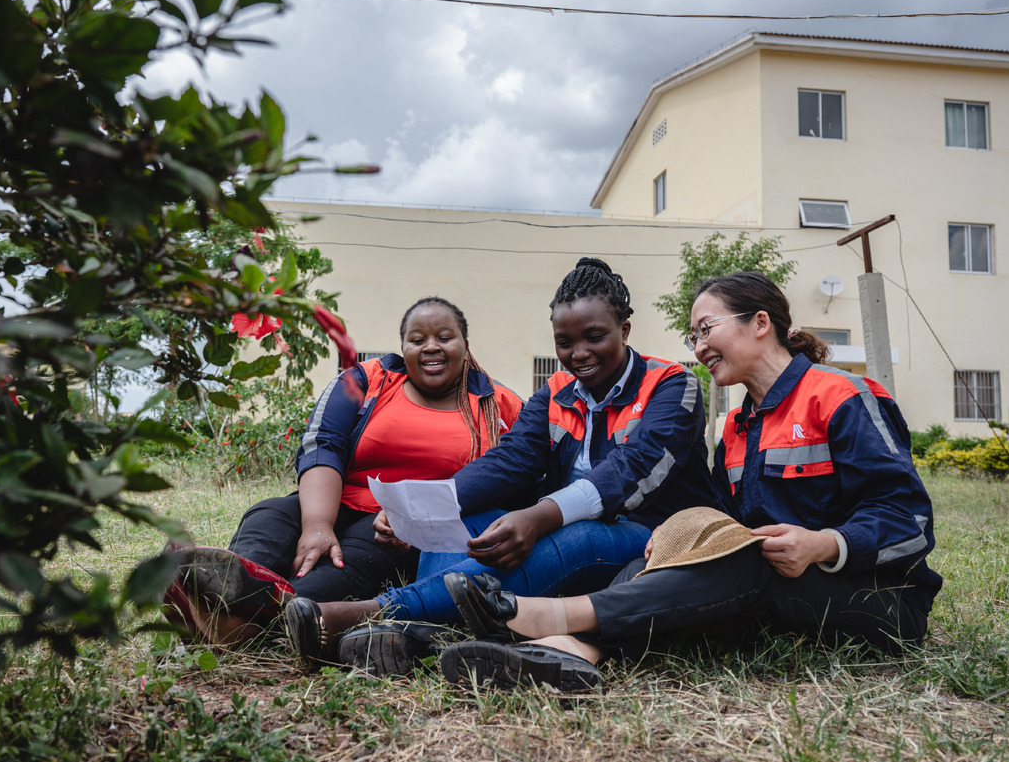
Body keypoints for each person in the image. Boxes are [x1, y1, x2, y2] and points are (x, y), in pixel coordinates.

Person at [437, 271, 944, 692]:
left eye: (707, 329)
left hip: (880, 597)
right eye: (693, 336)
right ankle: (575, 652)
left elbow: (911, 520)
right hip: (780, 593)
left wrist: (825, 543)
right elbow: (733, 522)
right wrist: (681, 538)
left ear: (760, 323)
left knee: (745, 563)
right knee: (657, 558)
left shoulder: (840, 395)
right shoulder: (738, 427)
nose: (699, 347)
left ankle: (544, 618)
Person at [284, 258, 713, 673]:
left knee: (574, 537)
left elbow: (629, 470)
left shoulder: (672, 385)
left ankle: (375, 613)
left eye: (595, 337)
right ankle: (425, 635)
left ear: (625, 330)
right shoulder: (557, 391)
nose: (579, 353)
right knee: (460, 520)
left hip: (650, 535)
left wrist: (539, 517)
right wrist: (425, 505)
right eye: (565, 342)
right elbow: (510, 461)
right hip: (558, 522)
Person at [164, 296, 523, 646]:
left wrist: (414, 518)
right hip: (333, 499)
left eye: (444, 338)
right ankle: (218, 592)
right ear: (403, 347)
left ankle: (229, 623)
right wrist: (317, 524)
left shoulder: (499, 404)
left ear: (465, 345)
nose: (430, 347)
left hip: (398, 527)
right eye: (417, 340)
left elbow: (519, 469)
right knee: (268, 516)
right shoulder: (368, 380)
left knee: (347, 565)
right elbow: (322, 443)